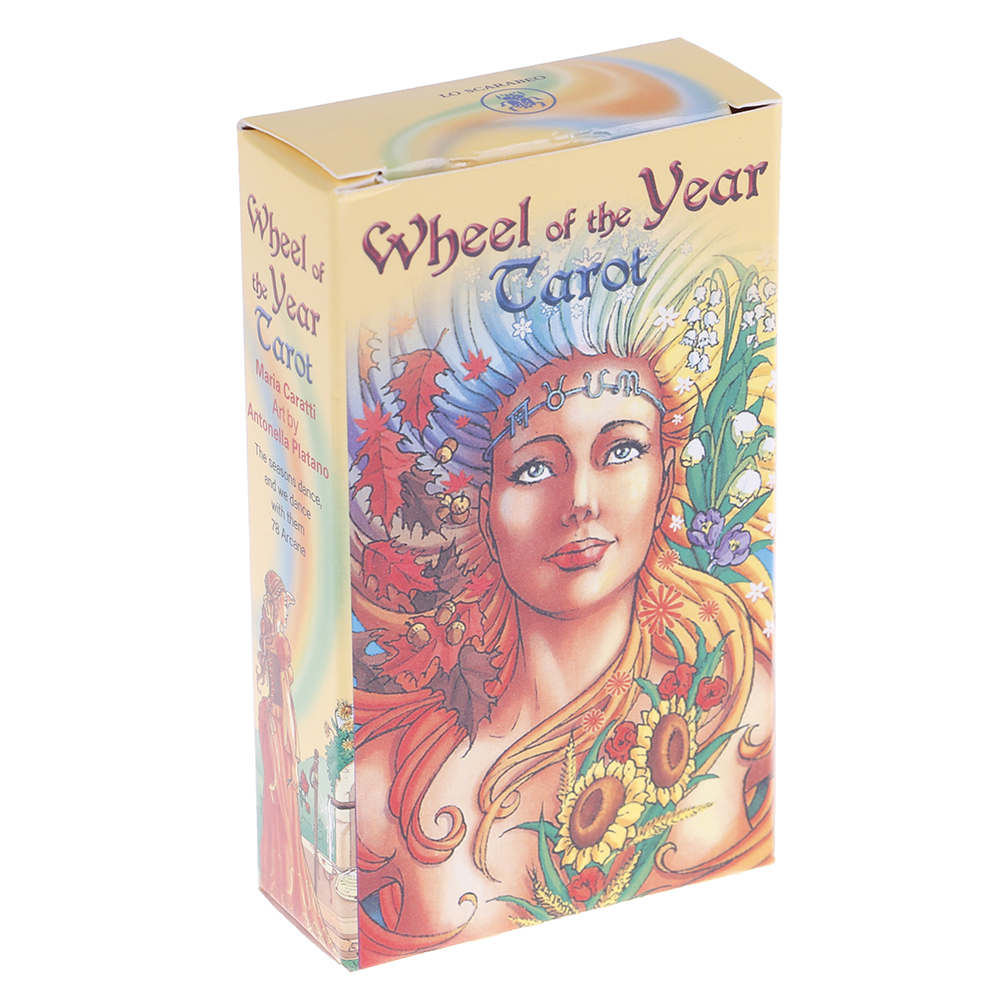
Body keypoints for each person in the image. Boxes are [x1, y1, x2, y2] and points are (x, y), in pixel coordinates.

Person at [349, 247, 775, 963]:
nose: (579, 501)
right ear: (483, 507)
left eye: (621, 451)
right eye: (535, 467)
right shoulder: (385, 792)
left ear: (667, 471)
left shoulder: (738, 699)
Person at [256, 571, 333, 951]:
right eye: (285, 606)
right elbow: (285, 699)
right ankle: (287, 877)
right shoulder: (281, 643)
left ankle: (277, 872)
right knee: (284, 795)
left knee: (278, 799)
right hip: (278, 726)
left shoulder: (268, 640)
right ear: (276, 606)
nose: (287, 613)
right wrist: (293, 743)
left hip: (267, 722)